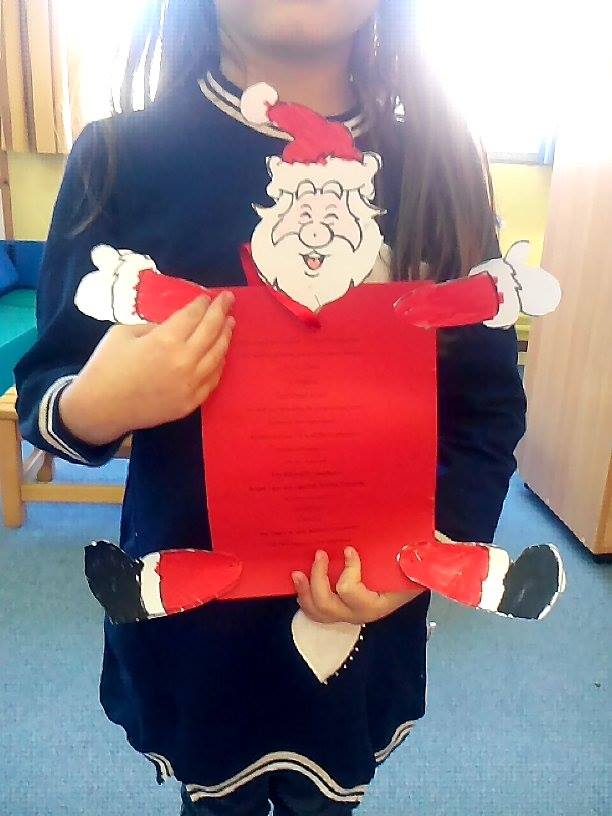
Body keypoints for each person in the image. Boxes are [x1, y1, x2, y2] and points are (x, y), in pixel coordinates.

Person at [14, 1, 527, 813]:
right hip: (196, 638)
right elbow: (48, 388)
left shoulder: (438, 163)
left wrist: (432, 555)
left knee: (328, 797)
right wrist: (99, 403)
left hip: (362, 618)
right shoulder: (123, 159)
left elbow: (486, 407)